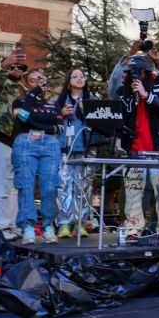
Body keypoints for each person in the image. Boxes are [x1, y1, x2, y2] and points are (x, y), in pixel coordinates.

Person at [114, 55, 159, 236]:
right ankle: (133, 228)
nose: (134, 76)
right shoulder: (122, 91)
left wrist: (146, 96)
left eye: (137, 72)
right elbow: (118, 121)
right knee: (133, 191)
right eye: (130, 73)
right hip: (135, 149)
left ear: (146, 72)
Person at [11, 71, 61, 243]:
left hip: (49, 144)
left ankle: (48, 226)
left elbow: (59, 127)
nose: (37, 85)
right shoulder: (19, 102)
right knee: (26, 185)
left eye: (40, 81)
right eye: (33, 81)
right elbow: (22, 119)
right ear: (27, 83)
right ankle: (28, 228)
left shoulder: (53, 104)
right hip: (25, 142)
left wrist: (36, 123)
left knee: (50, 187)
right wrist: (32, 95)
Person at [0, 44, 30, 238]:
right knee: (3, 184)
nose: (17, 69)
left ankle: (11, 225)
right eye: (15, 66)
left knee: (15, 186)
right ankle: (2, 226)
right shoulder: (3, 86)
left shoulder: (25, 91)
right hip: (3, 139)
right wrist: (4, 65)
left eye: (21, 68)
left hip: (20, 143)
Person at [54, 69, 95, 238]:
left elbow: (102, 123)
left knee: (84, 186)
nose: (79, 79)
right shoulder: (60, 100)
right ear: (68, 80)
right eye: (75, 76)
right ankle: (63, 224)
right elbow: (51, 122)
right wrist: (61, 113)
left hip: (86, 148)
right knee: (63, 185)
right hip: (64, 147)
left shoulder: (91, 100)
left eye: (83, 76)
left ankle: (80, 223)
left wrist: (88, 112)